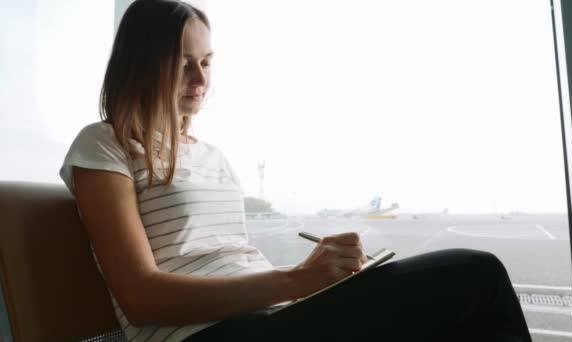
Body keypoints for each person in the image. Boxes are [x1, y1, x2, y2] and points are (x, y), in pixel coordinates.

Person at [59, 0, 533, 341]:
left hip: (271, 315)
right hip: (204, 334)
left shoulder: (212, 155)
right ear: (142, 66)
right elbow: (141, 297)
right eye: (183, 65)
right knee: (476, 274)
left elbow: (229, 258)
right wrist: (296, 280)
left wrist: (322, 279)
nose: (202, 80)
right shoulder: (104, 144)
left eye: (206, 62)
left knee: (454, 301)